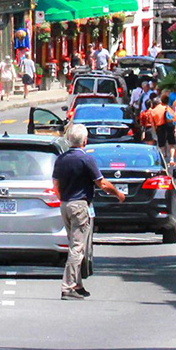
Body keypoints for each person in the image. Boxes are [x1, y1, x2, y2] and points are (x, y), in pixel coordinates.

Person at [53, 122, 125, 300]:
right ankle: (68, 286)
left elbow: (55, 185)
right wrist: (117, 192)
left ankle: (77, 284)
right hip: (79, 204)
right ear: (85, 140)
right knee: (78, 248)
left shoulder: (61, 159)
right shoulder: (86, 159)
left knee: (74, 244)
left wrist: (63, 197)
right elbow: (101, 182)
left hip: (65, 204)